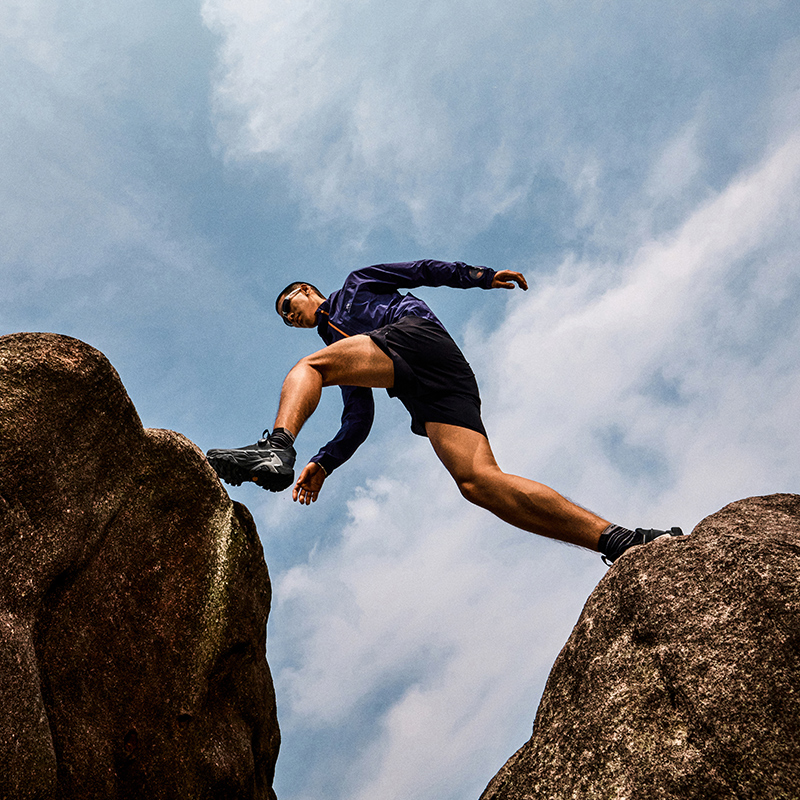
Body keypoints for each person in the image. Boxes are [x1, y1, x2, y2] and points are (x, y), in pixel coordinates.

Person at [206, 260, 682, 564]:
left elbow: (422, 270)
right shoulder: (341, 350)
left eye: (292, 305)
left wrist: (480, 277)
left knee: (307, 367)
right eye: (287, 317)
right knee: (479, 483)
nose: (293, 316)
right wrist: (326, 463)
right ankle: (620, 540)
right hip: (434, 387)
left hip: (415, 337)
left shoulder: (356, 287)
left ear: (310, 291)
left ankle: (276, 447)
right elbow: (358, 420)